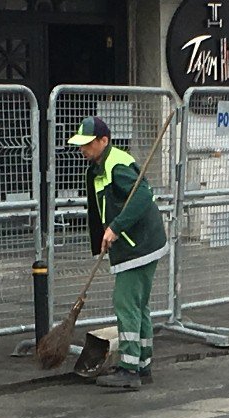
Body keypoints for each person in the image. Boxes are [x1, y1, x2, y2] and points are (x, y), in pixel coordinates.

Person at [67, 116, 168, 390]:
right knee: (138, 305)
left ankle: (129, 369)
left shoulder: (117, 165)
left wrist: (115, 227)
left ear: (104, 141)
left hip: (137, 244)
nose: (82, 150)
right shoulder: (100, 165)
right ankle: (143, 365)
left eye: (87, 144)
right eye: (81, 145)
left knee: (125, 304)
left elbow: (142, 197)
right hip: (139, 243)